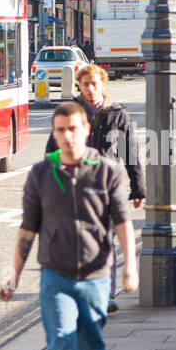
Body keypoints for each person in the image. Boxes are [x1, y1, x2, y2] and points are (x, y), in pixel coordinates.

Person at [0, 101, 136, 350]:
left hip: (95, 275)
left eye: (73, 128)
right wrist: (13, 275)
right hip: (55, 276)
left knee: (91, 346)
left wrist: (130, 267)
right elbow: (28, 229)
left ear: (86, 130)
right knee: (61, 343)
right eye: (60, 130)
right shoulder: (41, 174)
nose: (66, 136)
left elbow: (122, 221)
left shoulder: (106, 171)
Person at [46, 64, 145, 313]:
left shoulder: (118, 114)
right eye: (85, 84)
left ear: (103, 84)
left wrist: (138, 187)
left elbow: (131, 152)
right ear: (79, 86)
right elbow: (52, 151)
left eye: (94, 83)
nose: (90, 89)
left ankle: (106, 294)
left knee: (106, 243)